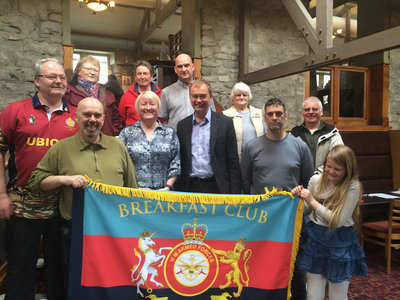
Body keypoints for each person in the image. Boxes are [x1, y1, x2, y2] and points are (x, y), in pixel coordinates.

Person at [29, 97, 138, 289]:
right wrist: (64, 179)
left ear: (103, 119)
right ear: (77, 117)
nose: (92, 119)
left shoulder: (118, 146)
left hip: (114, 230)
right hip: (76, 231)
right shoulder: (62, 148)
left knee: (115, 282)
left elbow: (132, 188)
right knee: (77, 283)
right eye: (87, 114)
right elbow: (36, 180)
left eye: (97, 115)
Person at [0, 58, 79, 300]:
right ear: (37, 81)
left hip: (62, 206)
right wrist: (2, 195)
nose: (58, 81)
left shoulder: (77, 115)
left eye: (62, 78)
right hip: (22, 205)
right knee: (20, 266)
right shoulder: (15, 111)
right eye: (51, 77)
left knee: (59, 267)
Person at [241, 97, 314, 300]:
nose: (275, 118)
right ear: (264, 117)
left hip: (290, 219)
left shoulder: (300, 147)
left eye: (279, 114)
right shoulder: (251, 146)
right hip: (260, 218)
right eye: (271, 114)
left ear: (286, 117)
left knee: (294, 265)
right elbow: (245, 182)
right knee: (259, 261)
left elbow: (307, 181)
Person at [291, 145, 368, 300]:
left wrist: (312, 200)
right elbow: (307, 210)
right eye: (328, 166)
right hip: (315, 238)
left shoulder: (352, 186)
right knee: (313, 295)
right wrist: (298, 199)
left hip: (340, 240)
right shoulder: (315, 180)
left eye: (337, 169)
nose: (331, 172)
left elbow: (337, 221)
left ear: (347, 170)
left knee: (337, 295)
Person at [175, 79, 241, 194]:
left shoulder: (225, 124)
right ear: (190, 97)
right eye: (195, 96)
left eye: (203, 96)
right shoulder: (182, 126)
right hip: (189, 187)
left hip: (217, 187)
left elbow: (233, 162)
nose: (198, 100)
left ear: (210, 97)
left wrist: (234, 195)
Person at [119, 91, 180, 190]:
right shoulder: (126, 133)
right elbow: (121, 164)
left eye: (152, 104)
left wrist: (167, 187)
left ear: (158, 108)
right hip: (135, 194)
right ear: (138, 108)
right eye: (143, 104)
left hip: (164, 195)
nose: (148, 108)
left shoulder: (170, 133)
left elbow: (175, 163)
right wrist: (135, 187)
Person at [64, 55, 122, 136]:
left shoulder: (108, 94)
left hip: (104, 141)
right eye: (88, 69)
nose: (92, 72)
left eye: (96, 70)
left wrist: (112, 131)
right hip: (78, 139)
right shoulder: (68, 91)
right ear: (78, 71)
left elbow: (116, 119)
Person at [159, 53, 215, 130]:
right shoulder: (166, 92)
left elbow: (213, 115)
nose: (184, 69)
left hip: (201, 137)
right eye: (180, 66)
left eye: (186, 65)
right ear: (175, 69)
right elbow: (163, 120)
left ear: (193, 67)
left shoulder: (204, 91)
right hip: (176, 139)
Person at [291, 96, 343, 171]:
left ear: (321, 112)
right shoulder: (294, 134)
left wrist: (318, 176)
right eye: (307, 109)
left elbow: (339, 159)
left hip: (325, 179)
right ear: (303, 113)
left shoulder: (332, 134)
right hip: (301, 181)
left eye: (315, 109)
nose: (311, 112)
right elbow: (290, 160)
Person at [222, 82, 266, 161]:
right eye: (238, 95)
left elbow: (266, 135)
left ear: (249, 97)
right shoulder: (226, 115)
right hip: (236, 159)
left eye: (245, 95)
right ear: (233, 97)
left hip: (258, 157)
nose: (241, 97)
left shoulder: (259, 113)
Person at [119, 61, 161, 126]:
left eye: (145, 73)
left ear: (151, 76)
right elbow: (121, 118)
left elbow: (163, 117)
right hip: (132, 133)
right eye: (139, 74)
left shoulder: (160, 95)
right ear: (135, 77)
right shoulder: (126, 96)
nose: (142, 77)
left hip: (155, 133)